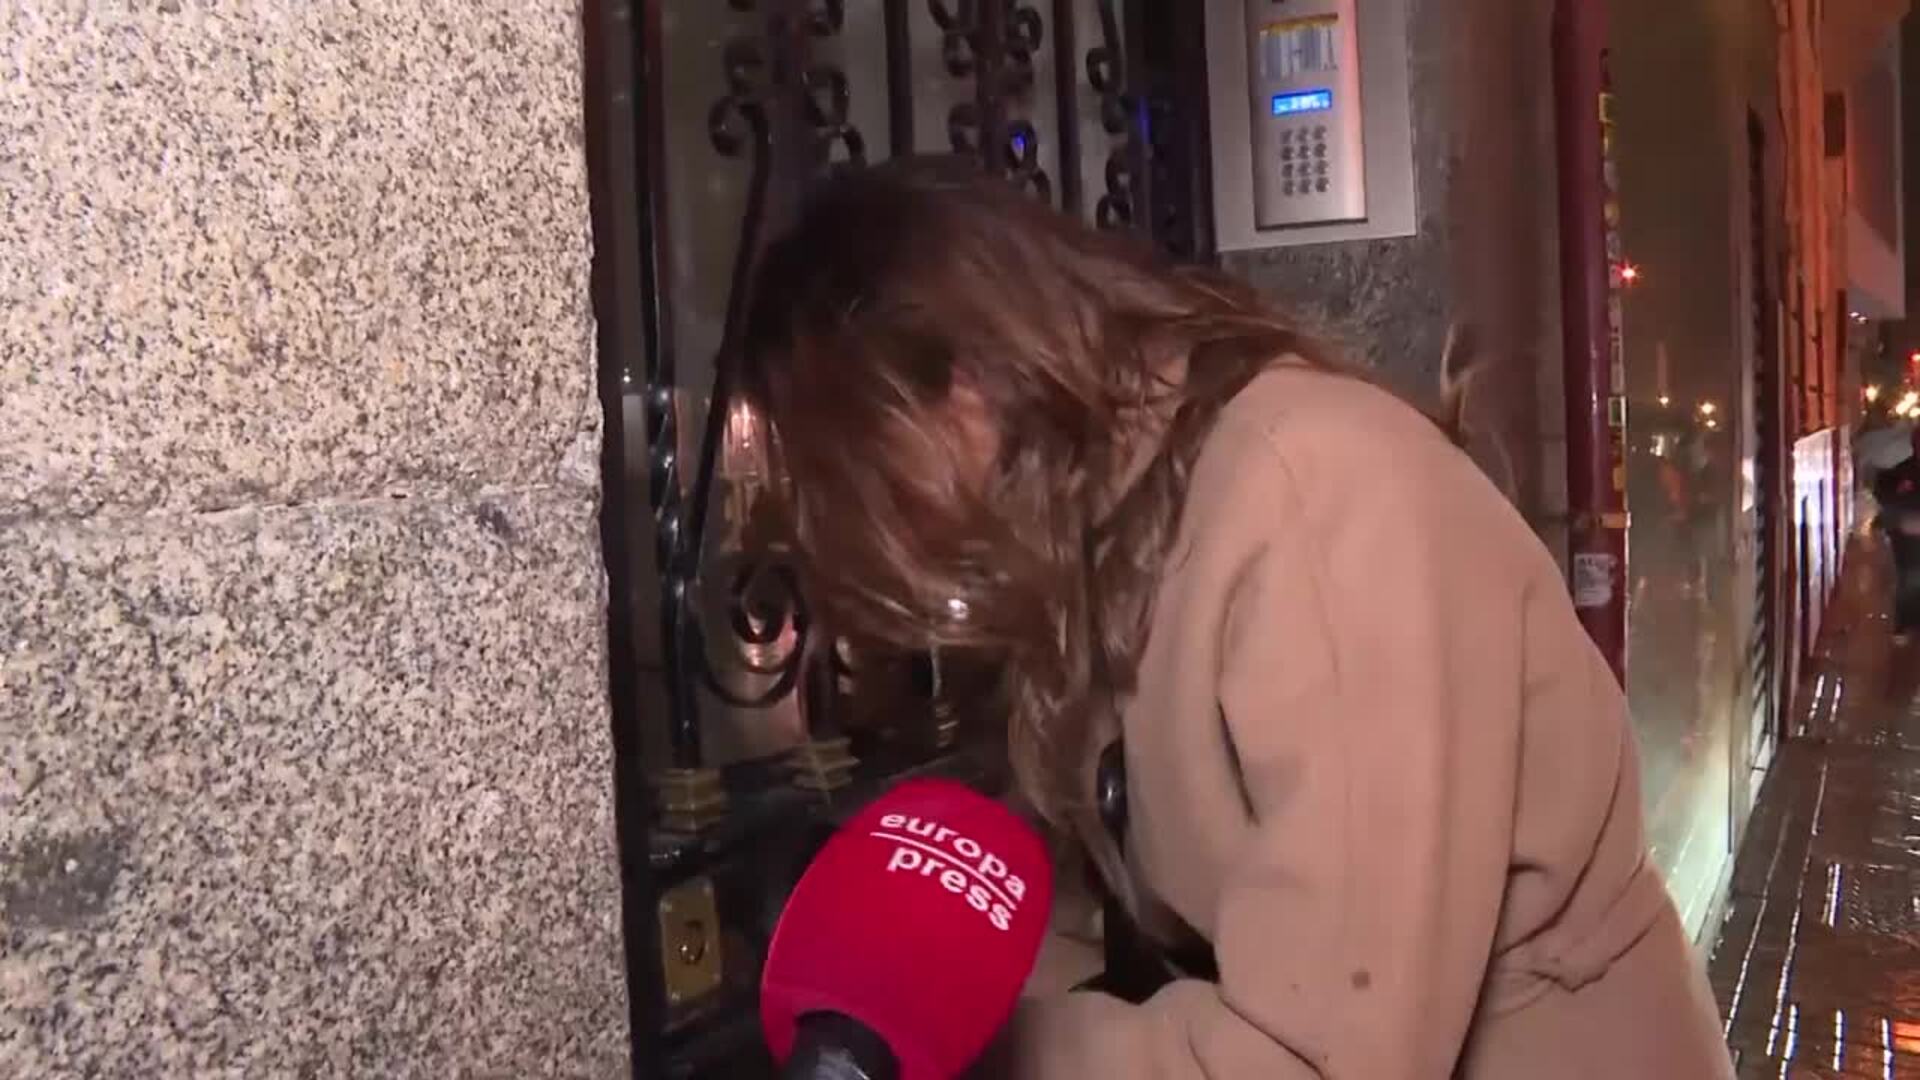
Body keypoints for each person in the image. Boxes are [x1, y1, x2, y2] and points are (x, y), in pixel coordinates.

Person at [737, 156, 1732, 1078]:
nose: (878, 529)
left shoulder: (1318, 501)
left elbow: (1319, 1064)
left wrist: (984, 1054)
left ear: (962, 392)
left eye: (865, 474)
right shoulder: (1109, 536)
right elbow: (1084, 906)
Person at [1872, 428, 1920, 637]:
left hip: (1906, 534)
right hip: (1906, 538)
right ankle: (1905, 623)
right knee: (1908, 578)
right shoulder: (1900, 473)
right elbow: (1883, 493)